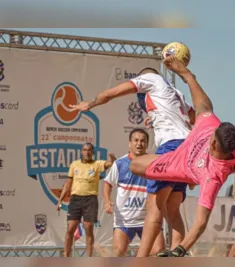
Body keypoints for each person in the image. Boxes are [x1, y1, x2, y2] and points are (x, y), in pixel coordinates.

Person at [129, 56, 235, 257]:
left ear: (214, 143)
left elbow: (201, 222)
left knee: (139, 175)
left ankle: (144, 262)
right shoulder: (218, 130)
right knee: (143, 175)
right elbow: (204, 106)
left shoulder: (213, 176)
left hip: (178, 164)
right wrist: (186, 75)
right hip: (180, 148)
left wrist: (181, 250)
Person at [69, 67, 195, 253]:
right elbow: (192, 117)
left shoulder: (150, 79)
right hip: (187, 147)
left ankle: (141, 261)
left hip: (171, 147)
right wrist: (155, 118)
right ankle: (177, 258)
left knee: (154, 205)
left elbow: (111, 94)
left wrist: (91, 104)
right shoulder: (177, 93)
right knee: (172, 208)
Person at [103, 128, 166, 257]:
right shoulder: (120, 164)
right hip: (124, 221)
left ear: (147, 144)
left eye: (143, 141)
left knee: (159, 252)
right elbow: (107, 183)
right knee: (118, 253)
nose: (139, 144)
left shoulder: (153, 163)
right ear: (129, 143)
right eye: (136, 140)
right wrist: (107, 202)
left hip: (148, 219)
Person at [57, 142, 116, 257]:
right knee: (70, 228)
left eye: (89, 150)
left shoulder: (97, 164)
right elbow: (68, 183)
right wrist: (60, 200)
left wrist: (113, 158)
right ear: (81, 151)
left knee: (88, 227)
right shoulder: (75, 164)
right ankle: (66, 256)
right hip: (75, 199)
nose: (87, 152)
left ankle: (89, 257)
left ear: (92, 152)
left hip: (90, 199)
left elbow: (111, 164)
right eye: (84, 150)